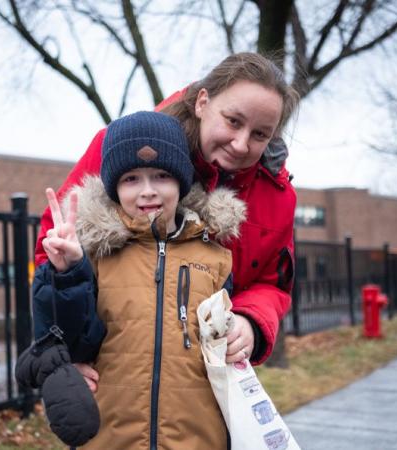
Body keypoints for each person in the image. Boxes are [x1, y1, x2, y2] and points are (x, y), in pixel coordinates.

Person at [33, 52, 300, 377]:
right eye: (233, 121)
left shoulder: (276, 196)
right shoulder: (124, 149)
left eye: (260, 134)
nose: (242, 144)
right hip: (116, 378)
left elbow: (272, 284)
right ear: (203, 102)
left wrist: (250, 320)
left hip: (205, 388)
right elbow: (54, 258)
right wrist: (70, 350)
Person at [34, 110, 246, 448]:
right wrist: (68, 274)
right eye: (131, 178)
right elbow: (69, 340)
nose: (147, 191)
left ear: (181, 180)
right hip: (110, 436)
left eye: (161, 175)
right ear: (115, 186)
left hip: (197, 438)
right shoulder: (95, 255)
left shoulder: (216, 257)